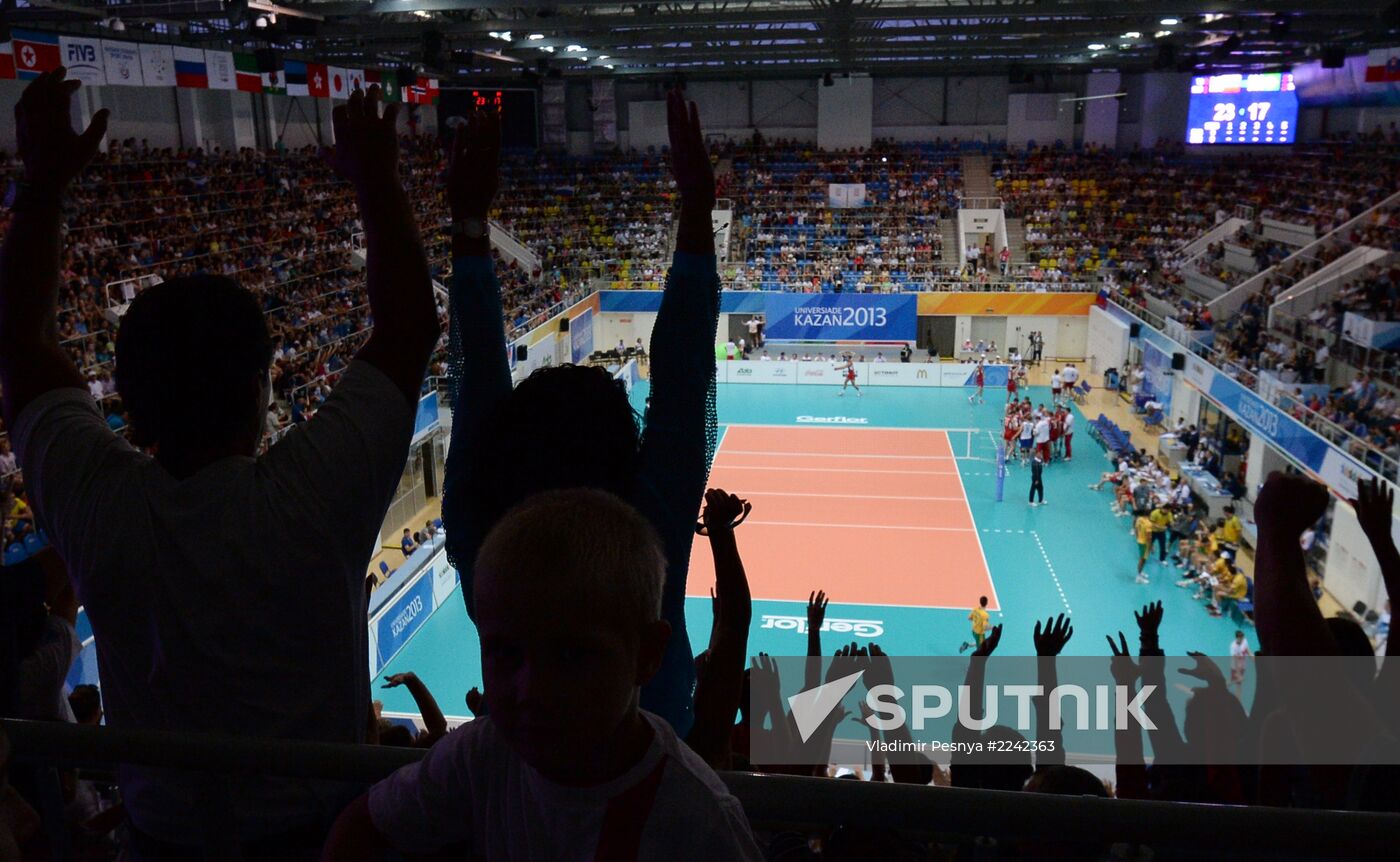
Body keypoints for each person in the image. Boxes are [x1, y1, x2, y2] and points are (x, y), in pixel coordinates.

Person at [1, 77, 437, 851]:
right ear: (265, 391)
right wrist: (375, 178)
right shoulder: (308, 498)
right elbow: (408, 323)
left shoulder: (100, 507)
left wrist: (39, 185)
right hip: (319, 842)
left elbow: (20, 347)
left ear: (126, 410)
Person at [441, 89, 720, 736]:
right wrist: (698, 210)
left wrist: (468, 222)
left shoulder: (481, 535)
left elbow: (476, 378)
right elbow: (683, 377)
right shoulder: (647, 532)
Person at [321, 490, 763, 860]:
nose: (531, 689)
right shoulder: (477, 756)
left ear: (647, 655)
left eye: (570, 656)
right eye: (504, 653)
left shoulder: (700, 823)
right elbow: (357, 833)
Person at [1134, 508, 1160, 584]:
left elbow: (1136, 529)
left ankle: (1140, 573)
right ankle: (1138, 577)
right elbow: (1149, 537)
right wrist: (1151, 547)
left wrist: (1137, 537)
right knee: (1142, 560)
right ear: (1150, 515)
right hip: (1145, 544)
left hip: (1139, 541)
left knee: (1142, 559)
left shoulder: (1139, 519)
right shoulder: (1148, 524)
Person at [1228, 630, 1253, 700]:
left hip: (1242, 666)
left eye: (1242, 637)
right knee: (1235, 682)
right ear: (1237, 638)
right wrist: (1238, 674)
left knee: (1238, 684)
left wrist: (1254, 659)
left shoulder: (1244, 641)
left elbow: (1248, 651)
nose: (1242, 639)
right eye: (1241, 638)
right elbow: (1235, 660)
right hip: (1235, 668)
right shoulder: (1233, 647)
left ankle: (1237, 703)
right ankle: (1222, 686)